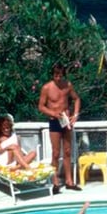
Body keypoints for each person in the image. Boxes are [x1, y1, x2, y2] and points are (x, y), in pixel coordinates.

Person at [38, 62, 82, 194]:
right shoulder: (46, 88)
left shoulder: (67, 85)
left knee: (68, 151)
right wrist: (52, 113)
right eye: (56, 75)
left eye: (60, 75)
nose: (58, 78)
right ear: (53, 75)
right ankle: (55, 182)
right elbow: (41, 106)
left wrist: (75, 115)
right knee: (56, 153)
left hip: (65, 120)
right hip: (54, 121)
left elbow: (77, 99)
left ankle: (69, 181)